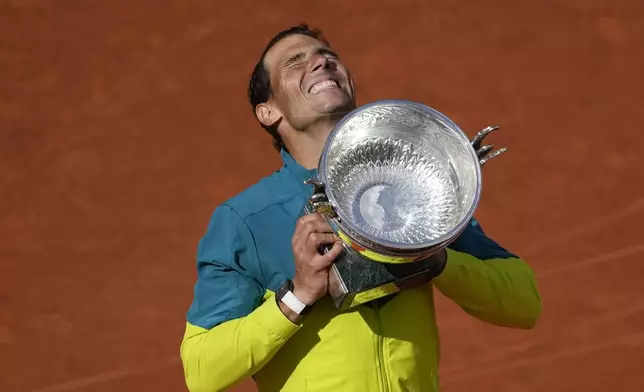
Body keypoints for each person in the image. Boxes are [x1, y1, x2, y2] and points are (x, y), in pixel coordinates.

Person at [180, 24, 542, 392]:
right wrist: (299, 296)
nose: (321, 61)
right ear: (268, 111)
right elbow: (202, 370)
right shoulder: (246, 220)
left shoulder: (407, 187)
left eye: (328, 55)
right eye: (295, 61)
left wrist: (433, 257)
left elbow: (523, 303)